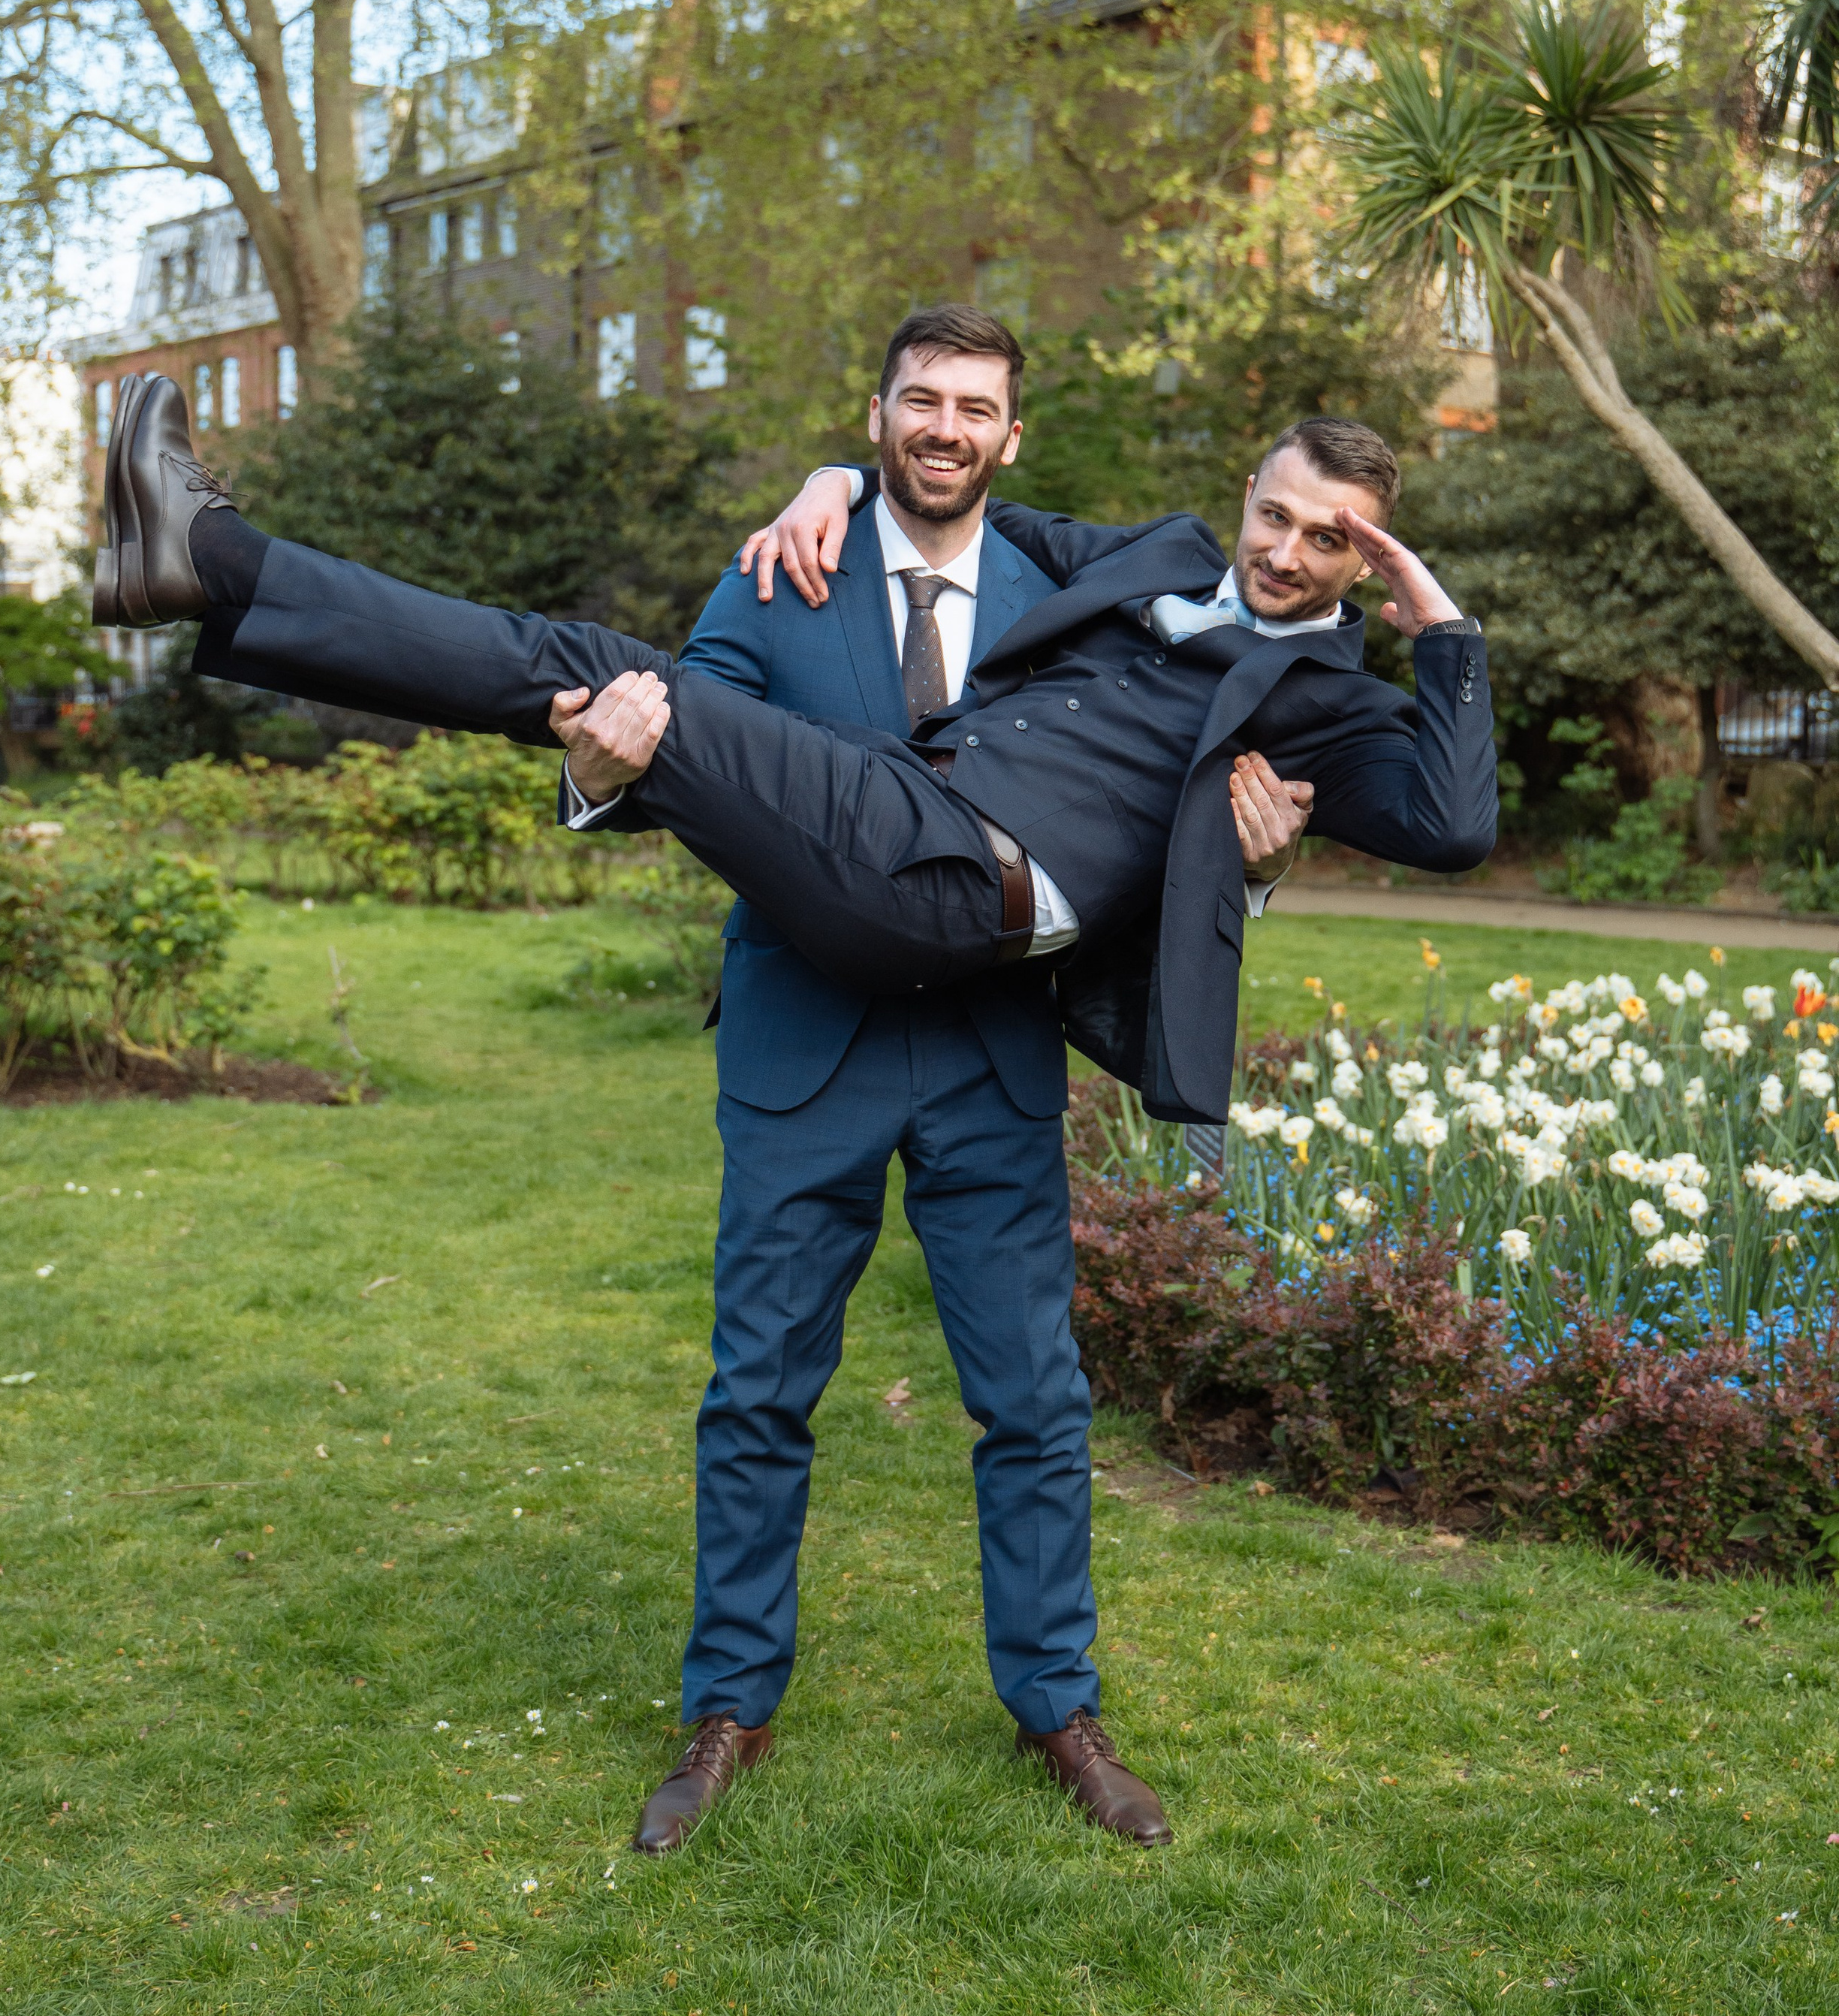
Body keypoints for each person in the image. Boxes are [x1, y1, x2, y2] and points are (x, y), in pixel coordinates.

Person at [568, 307, 1306, 1855]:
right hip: (802, 1048)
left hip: (990, 1055)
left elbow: (1141, 806)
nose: (944, 427)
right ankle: (725, 1711)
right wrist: (597, 770)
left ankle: (1057, 1708)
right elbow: (679, 749)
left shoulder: (1078, 600)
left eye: (974, 406)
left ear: (1010, 437)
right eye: (918, 402)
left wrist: (1247, 859)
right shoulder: (788, 565)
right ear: (879, 413)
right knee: (759, 1392)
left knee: (1031, 1401)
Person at [93, 374, 1494, 1139]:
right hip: (906, 828)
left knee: (593, 661)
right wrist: (837, 475)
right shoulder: (1154, 556)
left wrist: (1441, 633)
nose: (1290, 555)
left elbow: (1450, 826)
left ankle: (210, 556)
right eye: (1283, 516)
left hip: (963, 882)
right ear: (1248, 493)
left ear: (1364, 563)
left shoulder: (1324, 697)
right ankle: (202, 577)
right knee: (593, 673)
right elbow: (957, 503)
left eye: (1334, 543)